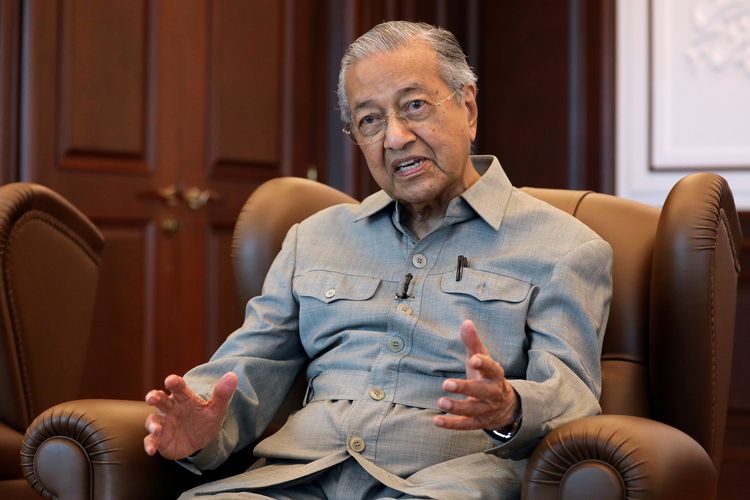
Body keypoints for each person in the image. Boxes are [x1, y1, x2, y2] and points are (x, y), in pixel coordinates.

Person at [144, 20, 612, 499]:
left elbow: (572, 397)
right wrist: (200, 420)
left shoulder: (564, 248)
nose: (395, 137)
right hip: (294, 481)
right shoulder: (314, 238)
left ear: (468, 109)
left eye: (415, 106)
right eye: (370, 120)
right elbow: (248, 364)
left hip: (438, 485)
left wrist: (511, 407)